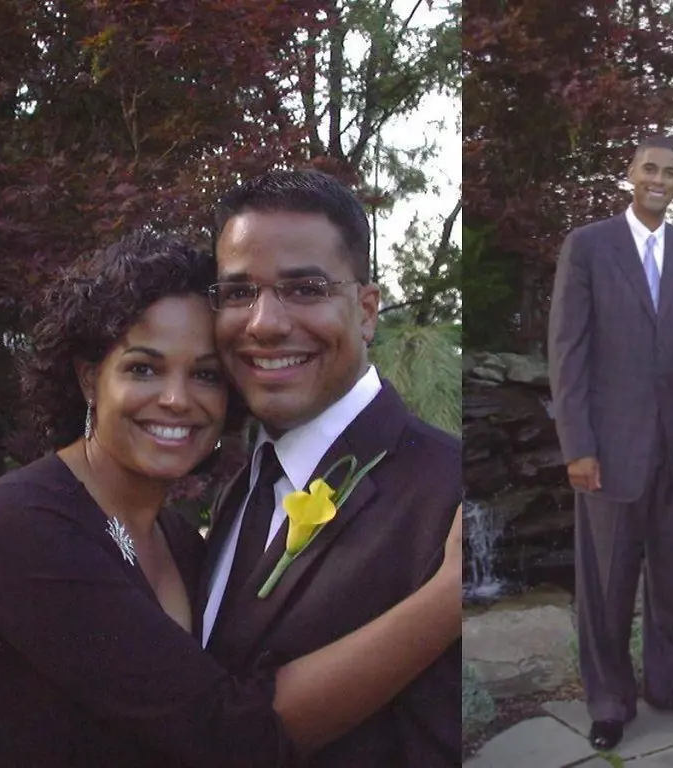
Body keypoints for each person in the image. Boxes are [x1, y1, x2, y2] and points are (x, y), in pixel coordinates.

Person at [0, 232, 462, 767]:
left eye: (205, 375)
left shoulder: (179, 535)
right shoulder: (22, 526)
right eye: (143, 368)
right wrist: (447, 597)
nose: (177, 400)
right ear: (88, 379)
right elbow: (230, 733)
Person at [199, 169, 461, 767]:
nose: (264, 323)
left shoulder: (446, 496)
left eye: (305, 288)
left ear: (366, 311)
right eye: (238, 292)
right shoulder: (243, 483)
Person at [547, 135, 673, 751]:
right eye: (649, 168)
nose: (659, 179)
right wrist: (577, 445)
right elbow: (567, 353)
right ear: (630, 174)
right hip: (609, 451)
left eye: (671, 172)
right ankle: (608, 702)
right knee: (605, 586)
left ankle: (672, 687)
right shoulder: (589, 247)